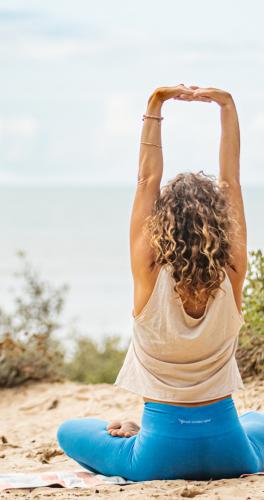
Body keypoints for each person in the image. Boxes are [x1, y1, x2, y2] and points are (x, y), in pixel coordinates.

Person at [56, 84, 264, 481]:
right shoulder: (232, 275)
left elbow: (145, 181)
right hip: (234, 454)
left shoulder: (148, 277)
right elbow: (232, 183)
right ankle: (154, 432)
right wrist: (226, 105)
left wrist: (156, 103)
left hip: (156, 457)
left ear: (163, 225)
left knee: (68, 431)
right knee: (256, 422)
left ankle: (137, 431)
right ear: (221, 224)